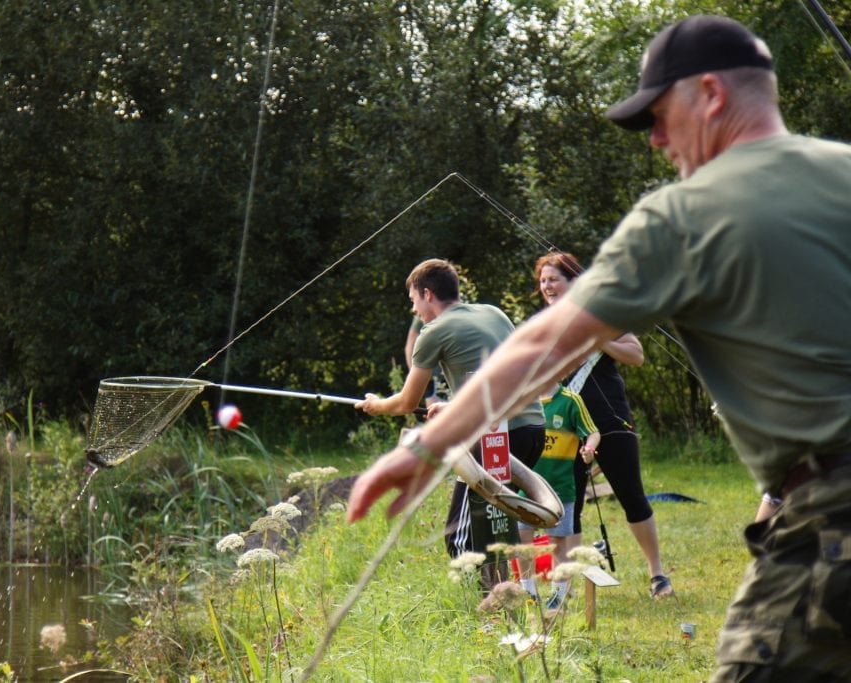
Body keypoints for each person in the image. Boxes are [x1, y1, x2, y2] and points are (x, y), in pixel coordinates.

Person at [347, 15, 851, 680]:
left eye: (661, 116)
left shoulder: (687, 212)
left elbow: (542, 346)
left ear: (711, 93)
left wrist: (426, 445)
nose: (657, 141)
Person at [356, 258, 546, 589]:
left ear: (428, 294)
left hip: (494, 438)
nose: (415, 310)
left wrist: (375, 405)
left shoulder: (434, 332)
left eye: (414, 300)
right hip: (531, 429)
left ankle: (489, 611)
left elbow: (406, 403)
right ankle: (510, 606)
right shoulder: (494, 313)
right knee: (494, 526)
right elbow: (499, 376)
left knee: (461, 535)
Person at [535, 251, 671, 599]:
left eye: (554, 279)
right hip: (565, 427)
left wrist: (600, 340)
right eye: (543, 281)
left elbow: (636, 355)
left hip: (610, 420)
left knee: (632, 496)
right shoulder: (541, 325)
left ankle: (657, 575)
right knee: (568, 504)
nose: (547, 286)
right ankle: (564, 587)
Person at [517, 381, 600, 611]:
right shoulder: (524, 397)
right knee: (523, 538)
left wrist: (589, 449)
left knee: (558, 542)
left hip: (560, 488)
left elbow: (592, 432)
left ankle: (559, 595)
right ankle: (528, 591)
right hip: (526, 483)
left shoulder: (571, 400)